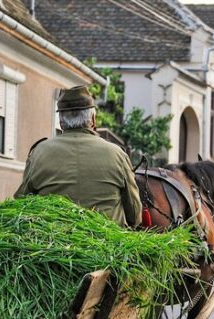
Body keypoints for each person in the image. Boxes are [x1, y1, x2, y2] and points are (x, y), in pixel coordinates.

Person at [15, 85, 142, 227]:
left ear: (61, 122)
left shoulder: (38, 153)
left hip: (50, 243)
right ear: (93, 119)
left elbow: (21, 203)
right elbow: (135, 214)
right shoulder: (117, 154)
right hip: (106, 244)